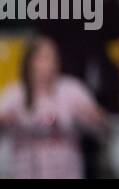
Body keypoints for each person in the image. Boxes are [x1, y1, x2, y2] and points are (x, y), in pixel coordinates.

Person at [0, 36, 107, 179]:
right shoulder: (15, 93)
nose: (50, 63)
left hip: (66, 170)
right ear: (29, 61)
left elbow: (101, 129)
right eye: (43, 57)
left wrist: (96, 118)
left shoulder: (72, 89)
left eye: (53, 57)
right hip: (24, 170)